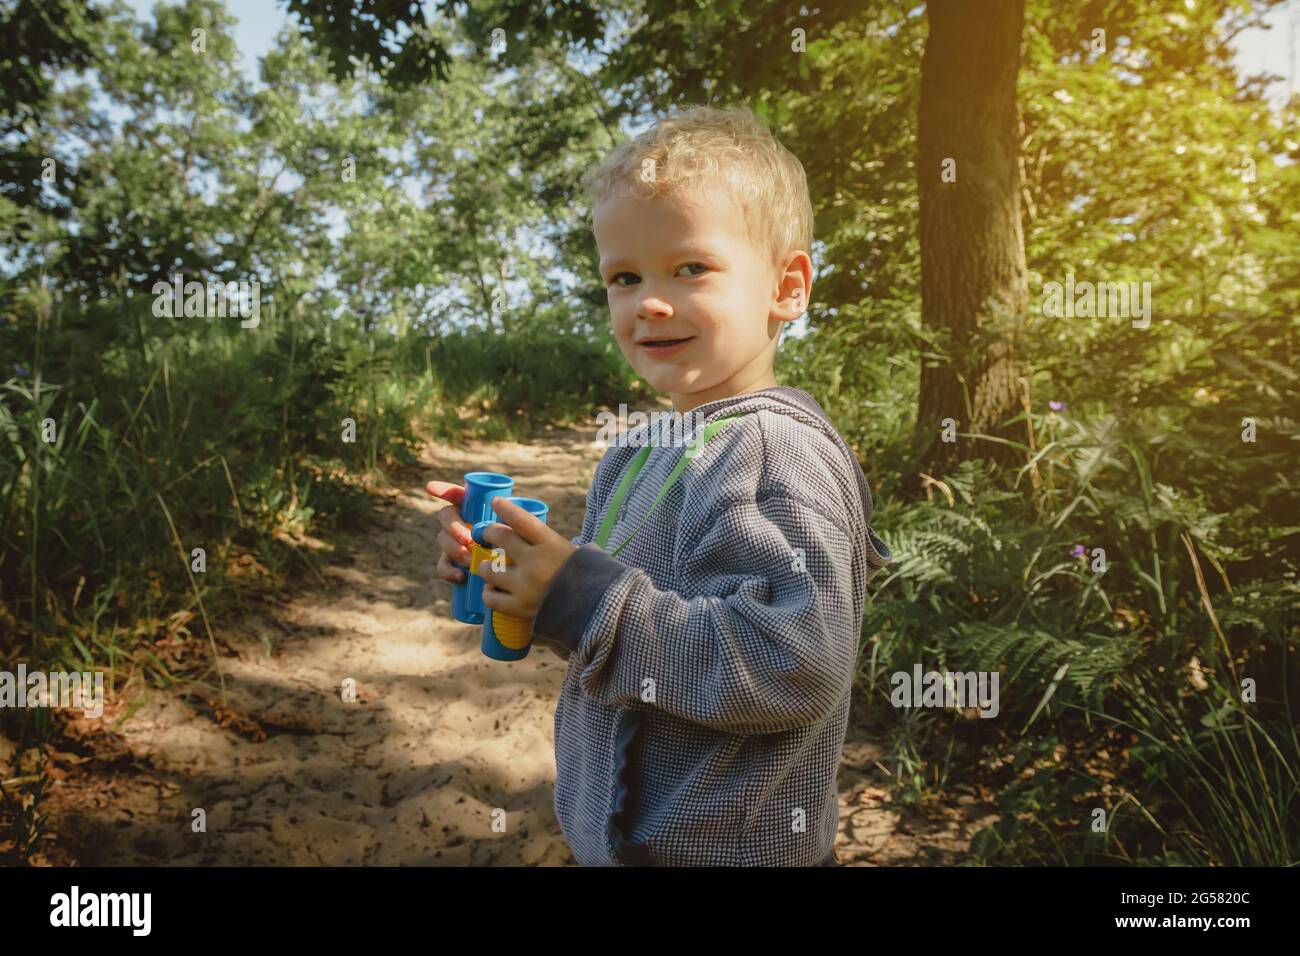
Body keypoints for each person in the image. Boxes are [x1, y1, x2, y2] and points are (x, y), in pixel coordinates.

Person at [431, 104, 890, 866]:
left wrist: (586, 600)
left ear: (788, 286)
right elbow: (630, 642)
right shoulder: (638, 451)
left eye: (692, 268)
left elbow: (797, 664)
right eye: (625, 276)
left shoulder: (775, 450)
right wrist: (523, 588)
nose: (649, 299)